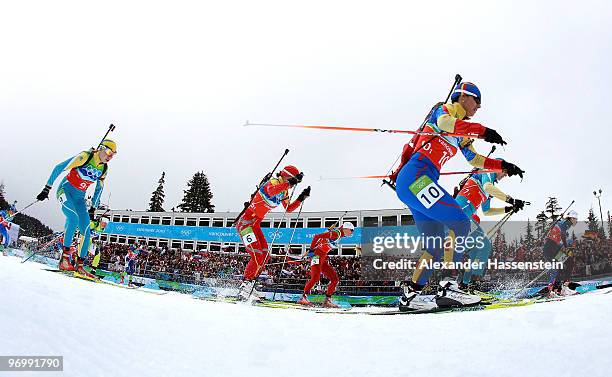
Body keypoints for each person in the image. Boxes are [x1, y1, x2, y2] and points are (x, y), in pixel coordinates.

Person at [389, 81, 525, 311]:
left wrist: (503, 165)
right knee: (460, 223)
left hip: (419, 182)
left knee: (434, 244)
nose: (478, 107)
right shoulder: (443, 111)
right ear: (463, 97)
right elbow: (445, 123)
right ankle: (449, 287)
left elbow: (475, 160)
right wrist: (483, 131)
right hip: (415, 178)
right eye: (477, 101)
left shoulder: (462, 131)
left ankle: (410, 296)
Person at [36, 139, 117, 279]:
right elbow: (59, 167)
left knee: (86, 228)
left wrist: (93, 207)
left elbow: (99, 188)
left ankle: (80, 265)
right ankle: (65, 259)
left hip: (80, 198)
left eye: (114, 154)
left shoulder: (104, 168)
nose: (110, 156)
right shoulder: (85, 156)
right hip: (65, 191)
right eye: (109, 152)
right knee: (73, 219)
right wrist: (47, 188)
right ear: (101, 148)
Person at [234, 165, 310, 300]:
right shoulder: (273, 183)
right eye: (292, 181)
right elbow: (270, 191)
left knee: (265, 255)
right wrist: (290, 182)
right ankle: (245, 284)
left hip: (255, 225)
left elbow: (288, 208)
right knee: (257, 254)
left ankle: (250, 284)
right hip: (245, 224)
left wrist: (301, 198)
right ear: (286, 176)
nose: (293, 185)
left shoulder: (285, 191)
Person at [454, 161, 527, 291]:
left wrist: (508, 208)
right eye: (505, 172)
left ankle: (464, 285)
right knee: (485, 246)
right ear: (499, 168)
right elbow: (488, 187)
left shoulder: (489, 187)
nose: (505, 176)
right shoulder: (487, 170)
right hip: (461, 213)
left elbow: (487, 211)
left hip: (465, 216)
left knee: (476, 252)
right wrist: (511, 200)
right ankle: (473, 285)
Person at [297, 222, 355, 308]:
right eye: (351, 230)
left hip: (323, 257)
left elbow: (323, 238)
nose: (352, 232)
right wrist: (311, 249)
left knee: (335, 279)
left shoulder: (338, 233)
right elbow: (317, 236)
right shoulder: (336, 233)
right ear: (346, 229)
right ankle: (303, 298)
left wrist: (328, 231)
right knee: (315, 278)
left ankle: (327, 300)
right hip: (317, 256)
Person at [538, 210, 579, 297]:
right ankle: (555, 290)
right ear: (571, 218)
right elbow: (563, 235)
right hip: (550, 248)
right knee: (565, 264)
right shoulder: (566, 223)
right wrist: (566, 247)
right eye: (575, 219)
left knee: (568, 262)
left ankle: (561, 288)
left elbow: (557, 231)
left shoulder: (563, 222)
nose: (576, 221)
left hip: (551, 248)